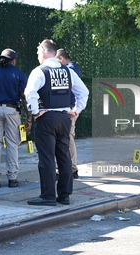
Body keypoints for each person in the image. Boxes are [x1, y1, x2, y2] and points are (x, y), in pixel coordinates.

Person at [25, 39, 89, 206]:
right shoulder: (68, 72)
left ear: (45, 52)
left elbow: (29, 92)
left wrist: (35, 112)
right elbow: (84, 92)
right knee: (64, 156)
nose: (38, 55)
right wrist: (76, 110)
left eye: (39, 52)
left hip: (47, 118)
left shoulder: (40, 71)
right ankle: (64, 195)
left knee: (46, 158)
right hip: (65, 118)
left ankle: (47, 196)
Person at [0, 48, 31, 188]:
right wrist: (29, 117)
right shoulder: (19, 74)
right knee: (12, 143)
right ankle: (12, 178)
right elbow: (24, 96)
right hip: (12, 110)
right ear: (13, 60)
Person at [56, 48, 82, 179]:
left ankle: (71, 169)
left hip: (69, 109)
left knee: (68, 138)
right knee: (68, 137)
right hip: (71, 108)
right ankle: (70, 168)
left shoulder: (69, 70)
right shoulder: (74, 68)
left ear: (61, 58)